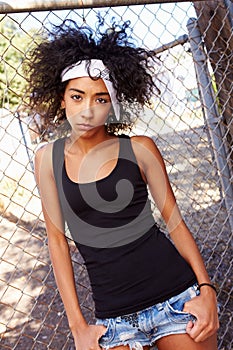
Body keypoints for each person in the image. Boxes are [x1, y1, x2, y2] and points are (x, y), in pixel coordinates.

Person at [25, 16, 219, 350]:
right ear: (61, 99)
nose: (87, 111)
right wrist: (78, 327)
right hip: (114, 318)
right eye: (77, 97)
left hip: (176, 297)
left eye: (100, 99)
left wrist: (206, 291)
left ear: (113, 104)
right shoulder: (47, 159)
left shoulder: (139, 149)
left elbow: (175, 224)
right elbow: (57, 242)